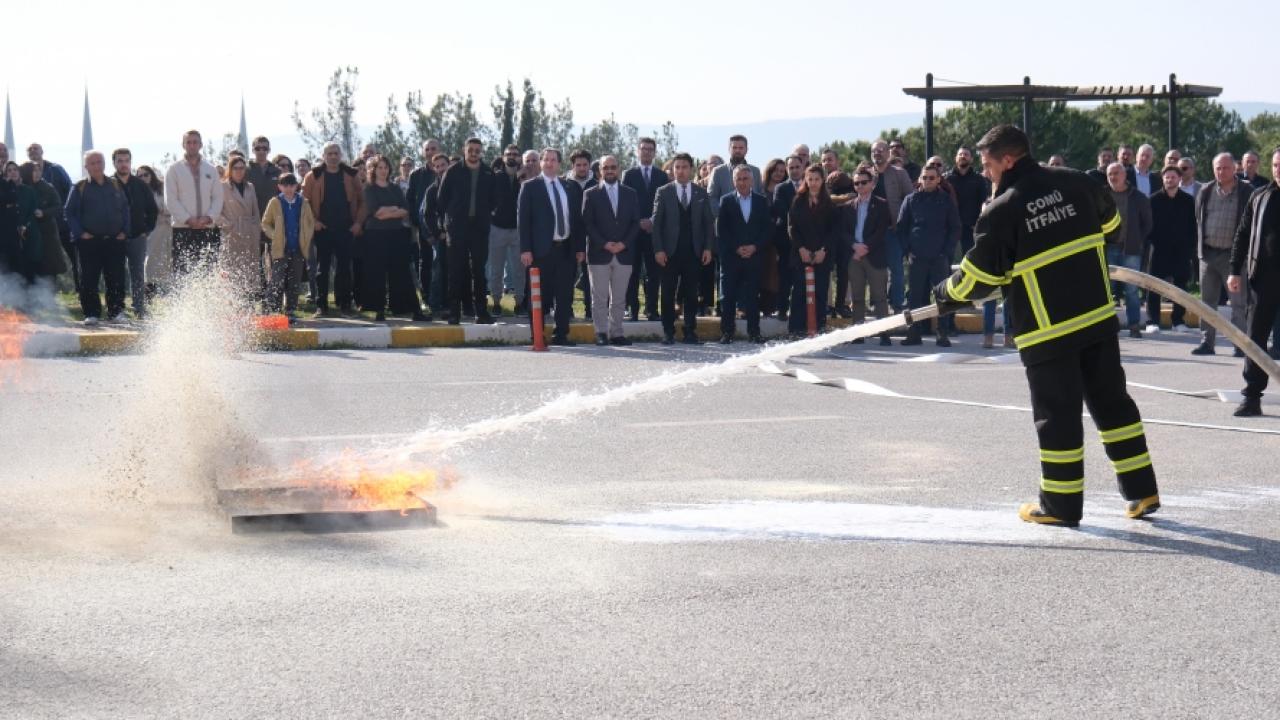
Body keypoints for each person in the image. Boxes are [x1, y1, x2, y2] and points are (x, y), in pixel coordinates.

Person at [936, 124, 1159, 527]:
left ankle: (1060, 505)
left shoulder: (1002, 209)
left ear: (1008, 160)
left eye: (988, 165)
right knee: (1113, 405)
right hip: (1096, 318)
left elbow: (977, 280)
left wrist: (943, 294)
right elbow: (1111, 228)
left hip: (1048, 329)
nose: (986, 173)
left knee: (1057, 416)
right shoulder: (1077, 182)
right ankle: (1143, 492)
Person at [1227, 148, 1280, 416]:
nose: (1278, 169)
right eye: (1275, 165)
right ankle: (1251, 397)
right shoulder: (1260, 197)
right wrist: (1234, 270)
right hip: (1263, 280)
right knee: (1255, 339)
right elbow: (1242, 234)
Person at [518, 147, 583, 346]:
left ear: (559, 163)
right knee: (538, 295)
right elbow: (524, 221)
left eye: (554, 160)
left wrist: (580, 248)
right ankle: (536, 333)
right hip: (540, 251)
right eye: (546, 159)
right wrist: (525, 249)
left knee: (564, 294)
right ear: (541, 163)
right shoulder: (530, 187)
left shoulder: (570, 187)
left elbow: (577, 221)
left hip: (565, 249)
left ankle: (561, 334)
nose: (550, 163)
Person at [1193, 153, 1253, 356]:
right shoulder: (1206, 190)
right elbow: (1198, 219)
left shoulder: (1246, 191)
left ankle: (1240, 345)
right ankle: (1206, 342)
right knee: (1207, 303)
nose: (1221, 171)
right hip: (1208, 255)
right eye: (1218, 168)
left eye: (1225, 168)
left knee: (1238, 303)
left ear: (1235, 168)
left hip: (1234, 257)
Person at [651, 153, 715, 345]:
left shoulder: (700, 193)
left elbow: (707, 224)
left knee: (691, 294)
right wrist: (658, 250)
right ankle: (668, 331)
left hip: (693, 252)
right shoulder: (663, 192)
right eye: (677, 167)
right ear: (672, 170)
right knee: (668, 293)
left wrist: (708, 248)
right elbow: (656, 224)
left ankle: (690, 331)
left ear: (691, 169)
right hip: (669, 252)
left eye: (684, 167)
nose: (680, 171)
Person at [65, 151, 130, 325]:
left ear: (104, 164)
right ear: (86, 167)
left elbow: (125, 209)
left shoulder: (115, 184)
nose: (96, 165)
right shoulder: (79, 187)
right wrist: (80, 233)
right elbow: (69, 213)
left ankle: (116, 312)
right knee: (89, 279)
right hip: (89, 242)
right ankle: (91, 313)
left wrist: (125, 230)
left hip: (114, 240)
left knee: (116, 277)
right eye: (92, 163)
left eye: (99, 162)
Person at [898, 165, 960, 346]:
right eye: (924, 177)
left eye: (931, 178)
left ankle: (942, 333)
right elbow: (901, 228)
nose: (927, 181)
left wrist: (946, 252)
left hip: (939, 257)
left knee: (943, 297)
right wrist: (907, 250)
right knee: (914, 298)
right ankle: (914, 333)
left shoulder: (946, 200)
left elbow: (955, 228)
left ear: (939, 179)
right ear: (919, 179)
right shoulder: (911, 200)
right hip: (916, 257)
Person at [438, 137, 497, 324]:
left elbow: (494, 200)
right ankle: (455, 312)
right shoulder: (453, 172)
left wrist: (487, 215)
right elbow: (441, 199)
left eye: (477, 150)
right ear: (464, 150)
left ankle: (481, 311)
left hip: (479, 229)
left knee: (479, 271)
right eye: (470, 149)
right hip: (457, 228)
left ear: (481, 152)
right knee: (456, 271)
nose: (474, 153)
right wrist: (450, 219)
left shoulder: (488, 173)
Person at [582, 155, 639, 346]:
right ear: (600, 170)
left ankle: (617, 332)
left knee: (619, 298)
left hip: (624, 253)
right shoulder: (591, 193)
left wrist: (624, 243)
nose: (610, 171)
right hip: (600, 253)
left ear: (619, 169)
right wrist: (604, 243)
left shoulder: (630, 193)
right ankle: (601, 332)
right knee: (599, 297)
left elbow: (635, 223)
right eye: (606, 168)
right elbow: (588, 224)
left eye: (613, 167)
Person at [301, 142, 363, 317]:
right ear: (323, 156)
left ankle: (345, 305)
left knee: (344, 268)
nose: (333, 156)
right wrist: (314, 222)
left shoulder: (352, 174)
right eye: (329, 153)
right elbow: (304, 203)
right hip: (323, 229)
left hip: (346, 228)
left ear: (340, 155)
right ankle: (322, 306)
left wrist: (358, 223)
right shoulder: (313, 176)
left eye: (336, 153)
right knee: (322, 269)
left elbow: (362, 200)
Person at [360, 155, 423, 322]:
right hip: (376, 235)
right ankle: (379, 310)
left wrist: (390, 210)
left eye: (385, 167)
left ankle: (411, 310)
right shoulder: (368, 188)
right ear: (373, 169)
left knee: (403, 272)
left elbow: (405, 210)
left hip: (397, 234)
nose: (383, 170)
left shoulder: (395, 188)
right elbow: (376, 213)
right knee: (378, 273)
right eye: (379, 167)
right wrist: (394, 209)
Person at [786, 164, 840, 337]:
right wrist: (801, 248)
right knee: (799, 294)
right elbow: (792, 228)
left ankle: (819, 328)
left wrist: (823, 250)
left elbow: (834, 231)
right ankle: (796, 330)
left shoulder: (829, 203)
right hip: (800, 254)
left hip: (823, 255)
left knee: (820, 293)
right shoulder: (798, 201)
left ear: (822, 180)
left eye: (817, 179)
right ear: (805, 180)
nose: (814, 183)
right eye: (810, 179)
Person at [717, 165, 770, 344]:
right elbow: (722, 231)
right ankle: (727, 333)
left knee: (753, 297)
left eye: (745, 178)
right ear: (733, 181)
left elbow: (767, 230)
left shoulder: (761, 201)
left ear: (752, 180)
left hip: (754, 257)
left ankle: (754, 332)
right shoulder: (726, 201)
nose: (742, 182)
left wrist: (754, 247)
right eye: (738, 179)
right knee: (728, 297)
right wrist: (736, 248)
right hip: (732, 258)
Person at [164, 130, 224, 278]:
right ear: (183, 145)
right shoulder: (173, 170)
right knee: (183, 274)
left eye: (195, 142)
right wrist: (188, 219)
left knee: (208, 272)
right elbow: (170, 199)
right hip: (182, 229)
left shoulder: (211, 169)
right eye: (188, 142)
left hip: (208, 228)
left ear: (201, 144)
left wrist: (209, 218)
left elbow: (218, 197)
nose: (192, 145)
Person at [621, 137, 668, 322]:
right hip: (633, 231)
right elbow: (625, 202)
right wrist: (638, 221)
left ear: (654, 152)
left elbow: (663, 203)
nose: (646, 152)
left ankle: (651, 310)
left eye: (650, 149)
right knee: (632, 273)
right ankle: (633, 309)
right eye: (643, 149)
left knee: (653, 273)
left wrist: (652, 221)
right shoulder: (629, 174)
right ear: (637, 151)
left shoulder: (661, 176)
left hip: (653, 232)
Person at [1104, 161, 1152, 338]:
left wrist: (1137, 240)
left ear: (1125, 175)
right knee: (1107, 289)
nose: (1113, 177)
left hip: (1131, 250)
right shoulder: (1102, 196)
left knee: (1132, 290)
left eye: (1117, 173)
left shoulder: (1138, 197)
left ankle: (1134, 325)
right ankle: (1107, 327)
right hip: (1107, 248)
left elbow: (1147, 223)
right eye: (1110, 174)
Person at [1146, 165, 1197, 332]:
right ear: (1162, 179)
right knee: (1154, 286)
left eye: (1173, 177)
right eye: (1166, 177)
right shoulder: (1153, 200)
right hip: (1159, 249)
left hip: (1181, 250)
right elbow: (1147, 226)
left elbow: (1192, 226)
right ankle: (1152, 321)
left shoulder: (1188, 201)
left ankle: (1178, 321)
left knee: (1180, 286)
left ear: (1179, 179)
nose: (1169, 180)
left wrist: (1190, 247)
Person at [846, 166, 892, 345]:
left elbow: (881, 231)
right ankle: (858, 333)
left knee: (880, 297)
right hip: (854, 257)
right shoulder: (848, 206)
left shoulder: (882, 204)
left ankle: (884, 333)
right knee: (857, 298)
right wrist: (854, 246)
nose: (859, 186)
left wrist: (865, 247)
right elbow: (843, 232)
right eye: (856, 183)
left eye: (863, 182)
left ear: (872, 184)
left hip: (874, 255)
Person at [869, 139, 915, 312]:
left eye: (881, 149)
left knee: (896, 269)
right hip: (871, 233)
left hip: (892, 230)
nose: (878, 153)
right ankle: (876, 303)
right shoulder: (865, 175)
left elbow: (910, 199)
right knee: (873, 270)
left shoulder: (899, 173)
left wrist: (903, 223)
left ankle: (897, 304)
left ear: (888, 153)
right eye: (874, 150)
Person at [111, 149, 158, 317]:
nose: (123, 164)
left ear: (130, 163)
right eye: (119, 161)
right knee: (116, 274)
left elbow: (152, 210)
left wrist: (147, 230)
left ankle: (139, 308)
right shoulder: (109, 184)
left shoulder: (140, 185)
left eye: (126, 160)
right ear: (114, 163)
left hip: (138, 236)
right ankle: (118, 310)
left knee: (137, 273)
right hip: (115, 238)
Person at [260, 173, 314, 320]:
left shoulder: (303, 202)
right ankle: (272, 309)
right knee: (276, 280)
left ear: (296, 186)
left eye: (292, 185)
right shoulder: (275, 202)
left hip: (297, 248)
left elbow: (310, 223)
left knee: (294, 281)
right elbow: (265, 223)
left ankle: (290, 311)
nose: (289, 189)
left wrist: (305, 238)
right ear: (279, 187)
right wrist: (275, 235)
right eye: (285, 185)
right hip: (280, 249)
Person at [25, 143, 75, 291]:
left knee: (66, 259)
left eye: (36, 148)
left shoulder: (55, 170)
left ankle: (80, 290)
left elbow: (69, 192)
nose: (34, 151)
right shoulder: (24, 176)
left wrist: (51, 213)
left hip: (60, 225)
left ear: (42, 151)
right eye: (30, 150)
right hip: (34, 229)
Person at [218, 156, 262, 296]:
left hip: (250, 234)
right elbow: (215, 212)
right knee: (232, 271)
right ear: (230, 169)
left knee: (249, 272)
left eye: (242, 168)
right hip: (232, 234)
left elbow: (255, 211)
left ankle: (247, 306)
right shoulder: (222, 186)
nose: (239, 171)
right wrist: (229, 226)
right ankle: (231, 307)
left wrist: (256, 229)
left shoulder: (250, 186)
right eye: (235, 168)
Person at [488, 145, 524, 317]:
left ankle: (520, 303)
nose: (512, 157)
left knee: (519, 270)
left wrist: (519, 179)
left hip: (518, 229)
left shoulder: (525, 177)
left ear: (520, 158)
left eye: (515, 154)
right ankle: (495, 302)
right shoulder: (495, 177)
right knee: (496, 269)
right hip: (497, 228)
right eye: (508, 154)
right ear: (503, 157)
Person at [18, 162, 68, 280]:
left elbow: (58, 207)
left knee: (49, 270)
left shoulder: (47, 187)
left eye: (39, 170)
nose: (37, 173)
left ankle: (48, 297)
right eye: (33, 171)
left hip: (46, 234)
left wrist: (44, 212)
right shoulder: (21, 188)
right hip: (27, 235)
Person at [771, 155, 805, 323]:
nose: (794, 170)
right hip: (786, 241)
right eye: (791, 168)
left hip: (807, 241)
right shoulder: (781, 188)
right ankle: (782, 310)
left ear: (803, 167)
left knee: (801, 280)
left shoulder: (811, 185)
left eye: (797, 167)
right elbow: (781, 212)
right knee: (784, 278)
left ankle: (799, 311)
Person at [566, 148, 598, 318]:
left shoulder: (597, 185)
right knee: (567, 277)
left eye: (585, 164)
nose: (582, 168)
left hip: (592, 238)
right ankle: (566, 310)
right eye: (578, 165)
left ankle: (591, 311)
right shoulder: (564, 184)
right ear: (573, 166)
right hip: (569, 238)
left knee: (590, 279)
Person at [419, 153, 451, 318]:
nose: (440, 168)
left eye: (442, 165)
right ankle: (436, 305)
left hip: (459, 236)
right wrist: (438, 233)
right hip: (442, 238)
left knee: (457, 271)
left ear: (449, 165)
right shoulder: (431, 190)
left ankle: (453, 304)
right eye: (437, 166)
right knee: (439, 272)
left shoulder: (457, 186)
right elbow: (426, 215)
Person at [947, 147, 989, 256]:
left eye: (966, 154)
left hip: (971, 226)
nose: (963, 156)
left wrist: (978, 223)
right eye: (960, 154)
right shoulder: (947, 179)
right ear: (955, 158)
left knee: (970, 258)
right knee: (947, 259)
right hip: (951, 226)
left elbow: (983, 201)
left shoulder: (978, 179)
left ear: (971, 159)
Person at [136, 165, 171, 293]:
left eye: (146, 174)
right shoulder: (138, 191)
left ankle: (169, 291)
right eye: (140, 176)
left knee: (168, 259)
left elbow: (169, 205)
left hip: (167, 227)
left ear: (151, 175)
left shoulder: (162, 188)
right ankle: (149, 289)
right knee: (149, 260)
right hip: (152, 230)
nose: (144, 178)